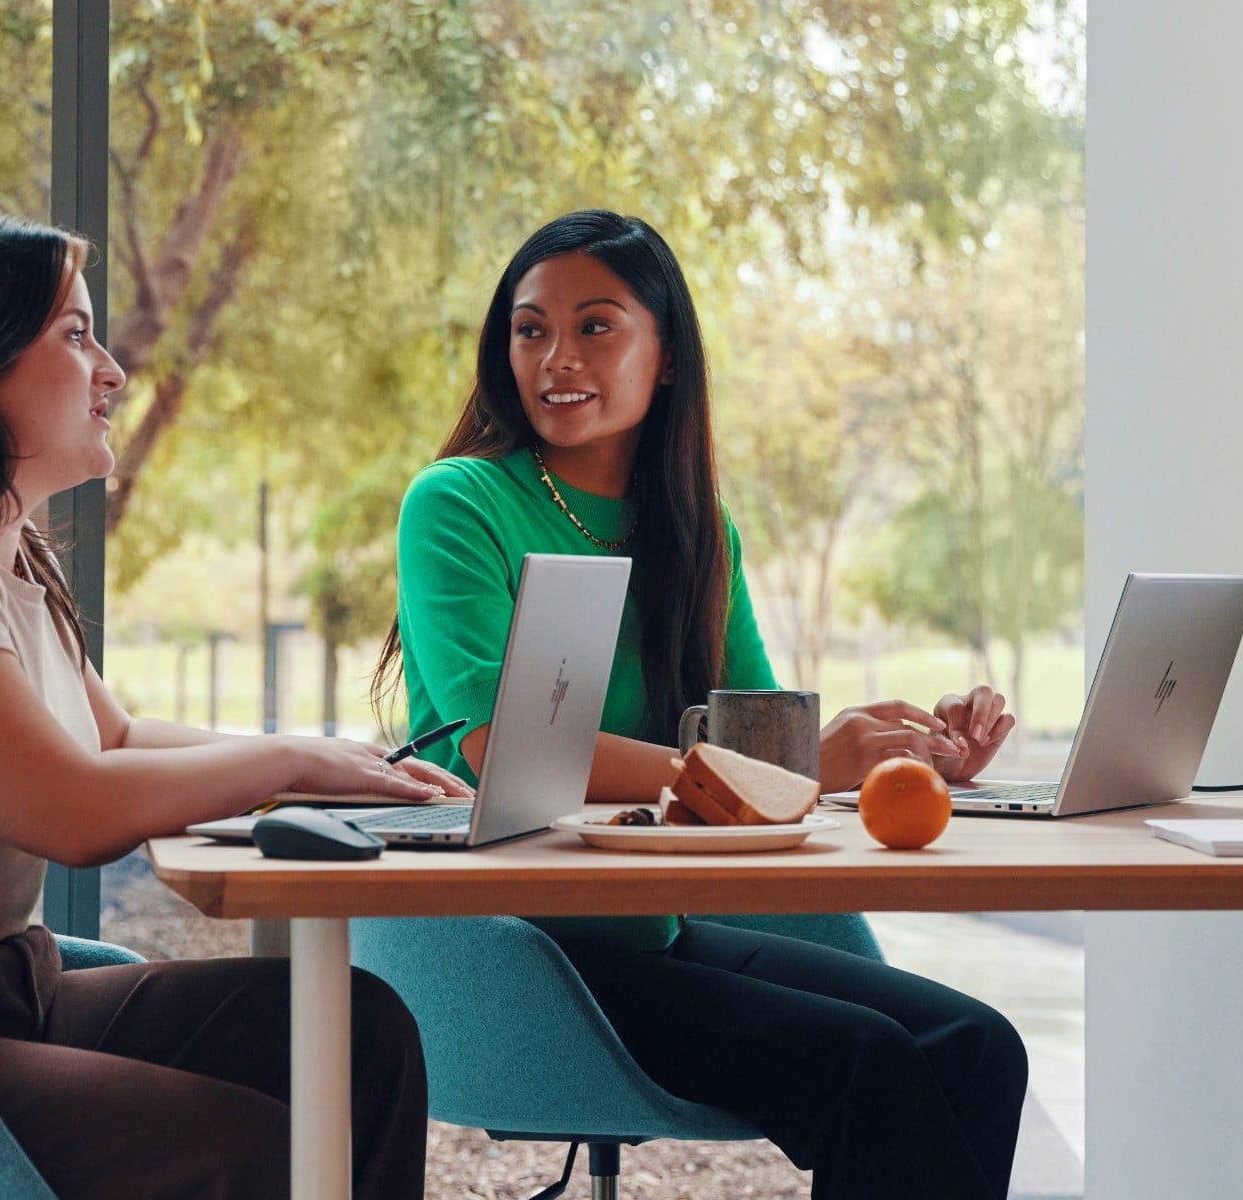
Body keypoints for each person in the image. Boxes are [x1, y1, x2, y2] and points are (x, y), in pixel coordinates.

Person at [0, 217, 463, 1200]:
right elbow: (74, 809)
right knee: (236, 1148)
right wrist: (295, 768)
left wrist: (339, 762)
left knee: (352, 1039)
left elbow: (118, 738)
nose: (112, 370)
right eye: (72, 334)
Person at [372, 210, 1027, 1200]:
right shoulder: (457, 501)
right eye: (529, 327)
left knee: (978, 1046)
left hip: (649, 929)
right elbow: (497, 748)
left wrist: (907, 756)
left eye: (595, 326)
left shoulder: (693, 524)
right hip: (517, 945)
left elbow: (756, 736)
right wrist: (794, 764)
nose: (556, 357)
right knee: (871, 1065)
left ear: (666, 354)